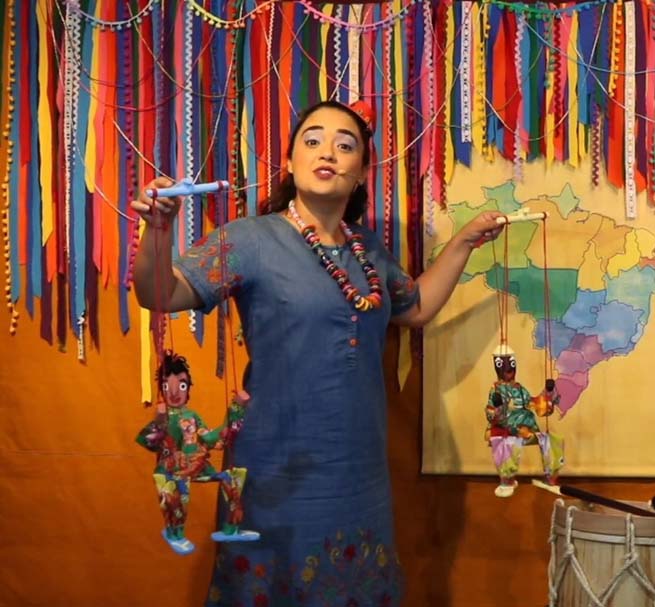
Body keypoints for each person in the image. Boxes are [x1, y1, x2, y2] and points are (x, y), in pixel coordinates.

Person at [130, 100, 504, 606]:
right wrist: (158, 230)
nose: (327, 151)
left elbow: (414, 307)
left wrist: (464, 242)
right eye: (312, 140)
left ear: (361, 171)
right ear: (290, 161)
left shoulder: (366, 250)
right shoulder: (250, 240)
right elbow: (159, 294)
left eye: (344, 145)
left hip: (359, 474)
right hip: (274, 472)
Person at [135, 350, 256, 555]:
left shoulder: (192, 416)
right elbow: (149, 442)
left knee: (233, 476)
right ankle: (175, 533)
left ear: (188, 387)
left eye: (182, 385)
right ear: (162, 388)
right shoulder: (164, 417)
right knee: (179, 488)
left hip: (197, 466)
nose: (175, 392)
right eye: (167, 386)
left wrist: (236, 408)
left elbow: (209, 437)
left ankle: (231, 527)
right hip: (172, 471)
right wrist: (159, 420)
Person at [484, 344, 564, 497]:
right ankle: (507, 481)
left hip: (527, 430)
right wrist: (498, 407)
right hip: (506, 431)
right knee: (507, 444)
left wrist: (548, 392)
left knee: (552, 440)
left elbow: (535, 403)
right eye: (503, 364)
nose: (509, 368)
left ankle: (551, 480)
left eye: (511, 363)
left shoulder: (520, 389)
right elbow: (491, 412)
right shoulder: (496, 389)